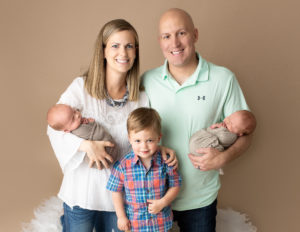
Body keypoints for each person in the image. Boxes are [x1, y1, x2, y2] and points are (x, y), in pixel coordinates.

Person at [47, 19, 176, 232]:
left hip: (120, 199)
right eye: (115, 45)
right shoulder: (81, 87)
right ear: (103, 51)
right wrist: (86, 146)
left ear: (136, 52)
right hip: (82, 193)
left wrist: (159, 149)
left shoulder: (140, 97)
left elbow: (139, 140)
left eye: (129, 46)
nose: (123, 53)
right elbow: (53, 128)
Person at [142, 8, 256, 232]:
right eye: (167, 36)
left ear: (195, 34)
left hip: (200, 200)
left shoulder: (223, 78)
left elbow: (247, 134)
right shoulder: (147, 80)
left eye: (181, 33)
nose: (174, 43)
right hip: (154, 197)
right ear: (159, 41)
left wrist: (223, 158)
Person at [106, 107, 181, 232]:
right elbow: (116, 191)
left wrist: (163, 202)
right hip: (135, 225)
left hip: (161, 223)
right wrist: (121, 217)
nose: (144, 146)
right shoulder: (122, 166)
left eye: (149, 140)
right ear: (129, 138)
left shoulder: (166, 162)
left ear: (159, 138)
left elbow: (176, 185)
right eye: (138, 141)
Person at [189, 110, 256, 175]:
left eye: (231, 124)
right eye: (229, 117)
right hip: (199, 143)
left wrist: (221, 128)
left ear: (239, 134)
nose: (226, 121)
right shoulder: (227, 126)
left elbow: (223, 138)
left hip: (203, 149)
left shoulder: (232, 136)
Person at [47, 104, 117, 163]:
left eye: (74, 111)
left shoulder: (76, 124)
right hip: (104, 155)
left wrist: (85, 121)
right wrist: (90, 123)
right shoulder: (79, 131)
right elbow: (94, 131)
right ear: (66, 131)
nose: (77, 115)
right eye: (73, 119)